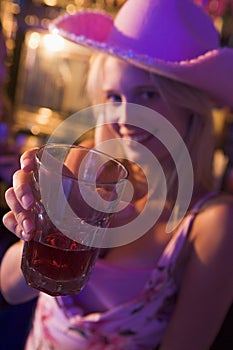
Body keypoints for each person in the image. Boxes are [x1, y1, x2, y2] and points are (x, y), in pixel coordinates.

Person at [1, 0, 233, 349]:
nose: (126, 117)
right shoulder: (84, 173)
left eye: (148, 94)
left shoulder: (210, 224)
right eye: (113, 96)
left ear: (190, 108)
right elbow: (10, 288)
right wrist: (31, 231)